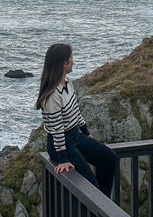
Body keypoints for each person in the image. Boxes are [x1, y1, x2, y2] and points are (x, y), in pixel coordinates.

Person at [36, 43, 117, 197]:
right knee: (91, 187)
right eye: (70, 58)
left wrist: (86, 133)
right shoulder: (52, 96)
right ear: (63, 63)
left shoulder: (68, 83)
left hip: (76, 136)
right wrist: (63, 159)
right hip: (61, 145)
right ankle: (99, 210)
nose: (73, 61)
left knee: (110, 159)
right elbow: (57, 130)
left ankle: (103, 207)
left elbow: (76, 112)